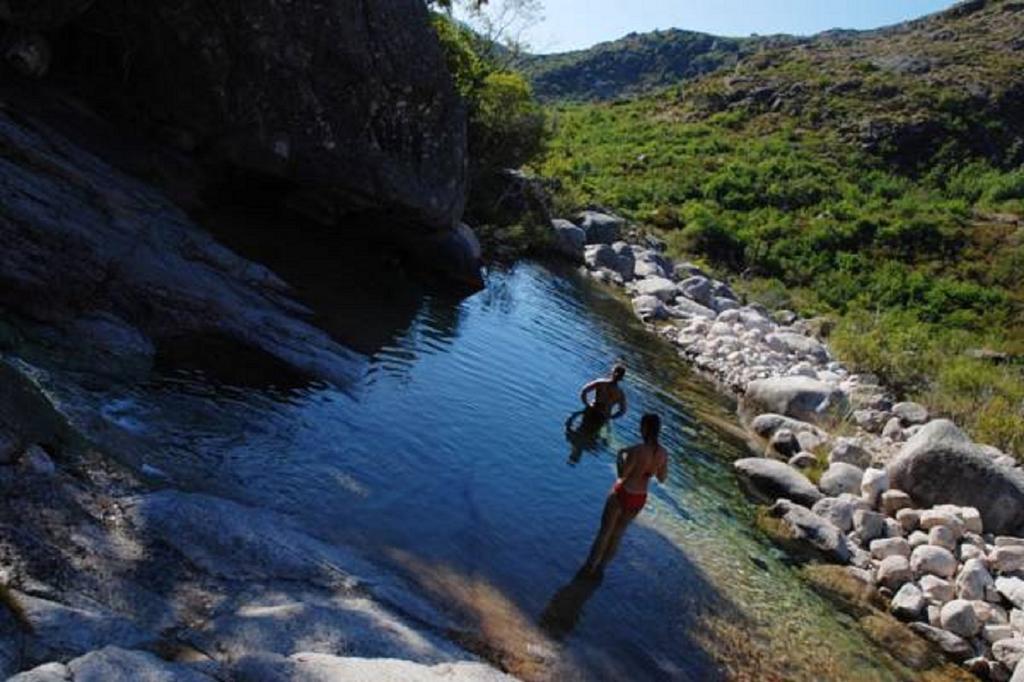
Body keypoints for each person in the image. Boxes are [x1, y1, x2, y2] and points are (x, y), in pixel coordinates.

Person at [579, 413, 668, 579]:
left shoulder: (637, 450)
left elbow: (622, 474)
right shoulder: (663, 453)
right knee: (618, 534)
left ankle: (588, 568)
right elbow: (662, 479)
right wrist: (650, 471)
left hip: (623, 492)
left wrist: (619, 457)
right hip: (639, 498)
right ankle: (601, 569)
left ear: (644, 428)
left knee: (604, 533)